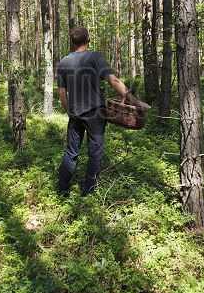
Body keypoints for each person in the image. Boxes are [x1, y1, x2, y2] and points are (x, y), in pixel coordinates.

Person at [57, 26, 141, 196]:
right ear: (87, 39)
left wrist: (69, 111)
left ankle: (62, 188)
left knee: (71, 152)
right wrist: (129, 96)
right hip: (95, 113)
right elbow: (113, 80)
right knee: (95, 153)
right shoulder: (94, 56)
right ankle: (88, 192)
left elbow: (62, 94)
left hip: (75, 114)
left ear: (72, 42)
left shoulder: (64, 62)